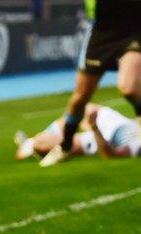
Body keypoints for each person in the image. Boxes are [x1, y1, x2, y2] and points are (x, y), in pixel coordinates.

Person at [40, 0, 141, 167]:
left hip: (134, 27)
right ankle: (65, 146)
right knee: (80, 98)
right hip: (102, 31)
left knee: (128, 87)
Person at [15, 103, 141, 162]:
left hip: (105, 139)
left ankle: (30, 144)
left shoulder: (137, 146)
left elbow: (112, 154)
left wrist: (95, 129)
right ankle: (36, 140)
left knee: (40, 143)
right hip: (119, 122)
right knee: (81, 108)